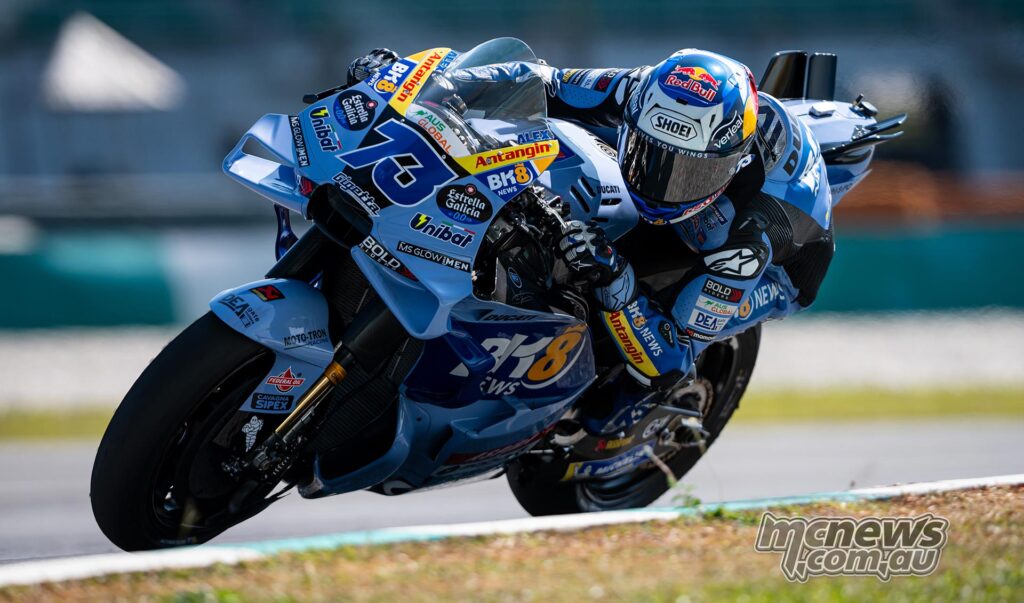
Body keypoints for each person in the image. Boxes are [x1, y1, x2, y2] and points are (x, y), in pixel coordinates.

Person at [348, 48, 834, 434]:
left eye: (686, 174)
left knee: (644, 356)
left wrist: (615, 278)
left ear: (730, 163)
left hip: (769, 257)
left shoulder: (750, 242)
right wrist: (416, 86)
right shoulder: (640, 89)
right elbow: (540, 79)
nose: (662, 183)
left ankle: (613, 420)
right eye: (650, 155)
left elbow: (671, 357)